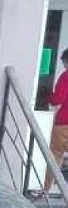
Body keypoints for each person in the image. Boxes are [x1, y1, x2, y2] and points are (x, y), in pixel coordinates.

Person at [38, 47, 68, 197]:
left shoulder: (65, 77)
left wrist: (48, 95)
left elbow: (58, 99)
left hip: (64, 123)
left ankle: (46, 190)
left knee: (55, 156)